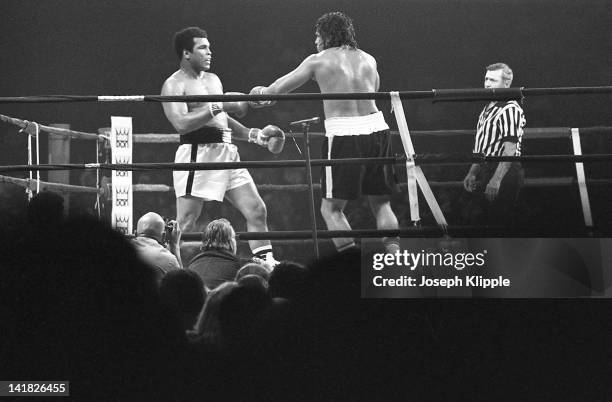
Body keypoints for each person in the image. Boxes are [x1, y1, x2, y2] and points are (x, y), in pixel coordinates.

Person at [249, 12, 399, 254]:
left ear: (327, 35)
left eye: (317, 36)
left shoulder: (317, 60)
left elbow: (275, 91)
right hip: (378, 128)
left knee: (330, 209)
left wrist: (257, 94)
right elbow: (375, 89)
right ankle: (396, 259)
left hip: (344, 133)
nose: (316, 41)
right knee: (381, 204)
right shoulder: (369, 59)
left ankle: (351, 266)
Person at [161, 27, 283, 266]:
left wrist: (252, 134)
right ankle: (167, 267)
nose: (209, 52)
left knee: (257, 209)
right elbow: (181, 123)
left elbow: (222, 119)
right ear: (186, 53)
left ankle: (266, 263)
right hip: (197, 153)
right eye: (202, 48)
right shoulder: (174, 84)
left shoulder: (213, 79)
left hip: (226, 151)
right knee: (186, 221)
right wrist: (219, 106)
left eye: (209, 47)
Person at [462, 63, 526, 227]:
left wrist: (496, 180)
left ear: (506, 83)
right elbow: (483, 144)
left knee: (499, 223)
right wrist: (472, 171)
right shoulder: (488, 106)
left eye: (492, 80)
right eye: (486, 79)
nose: (487, 84)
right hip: (486, 168)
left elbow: (510, 149)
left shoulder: (510, 108)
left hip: (504, 171)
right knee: (485, 222)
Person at [187, 218, 242, 290]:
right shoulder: (237, 267)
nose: (235, 242)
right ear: (229, 241)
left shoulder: (192, 265)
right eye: (234, 238)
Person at [131, 212, 182, 281]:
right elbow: (182, 285)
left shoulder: (118, 252)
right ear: (164, 236)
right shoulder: (169, 260)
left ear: (135, 233)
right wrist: (175, 246)